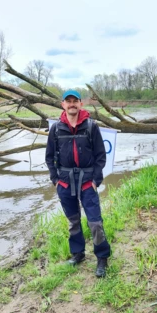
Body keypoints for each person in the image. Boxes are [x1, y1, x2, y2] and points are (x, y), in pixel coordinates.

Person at [45, 89, 111, 277]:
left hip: (87, 181)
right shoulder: (56, 129)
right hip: (65, 183)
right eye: (68, 101)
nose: (72, 104)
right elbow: (49, 158)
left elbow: (100, 156)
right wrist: (55, 180)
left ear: (81, 104)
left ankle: (102, 258)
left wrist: (96, 181)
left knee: (95, 222)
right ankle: (78, 254)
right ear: (63, 105)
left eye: (75, 101)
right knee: (73, 222)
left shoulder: (91, 127)